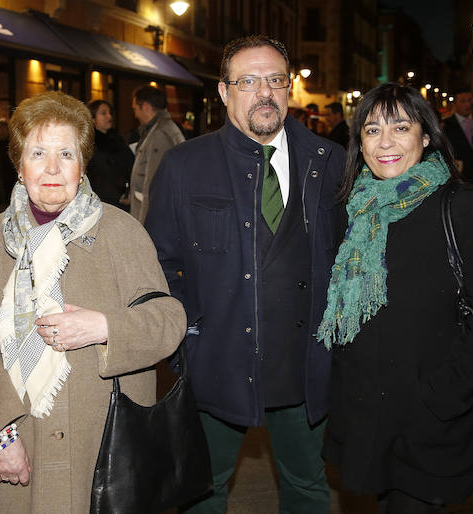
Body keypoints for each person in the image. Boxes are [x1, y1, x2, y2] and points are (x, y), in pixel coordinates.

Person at [0, 91, 186, 512]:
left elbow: (168, 320)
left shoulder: (122, 234)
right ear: (19, 165)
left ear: (82, 164)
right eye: (38, 153)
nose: (52, 168)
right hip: (20, 445)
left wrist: (106, 328)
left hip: (106, 448)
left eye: (66, 153)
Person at [145, 35, 346, 513]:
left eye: (275, 80)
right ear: (223, 92)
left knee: (307, 486)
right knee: (201, 489)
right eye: (249, 81)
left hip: (303, 365)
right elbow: (157, 263)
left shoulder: (330, 162)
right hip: (218, 362)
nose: (264, 93)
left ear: (289, 88)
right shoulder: (184, 166)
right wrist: (188, 336)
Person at [318, 82, 473, 512]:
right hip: (367, 420)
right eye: (372, 130)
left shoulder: (462, 209)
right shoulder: (355, 209)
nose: (385, 142)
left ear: (425, 136)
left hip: (429, 424)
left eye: (400, 127)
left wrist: (443, 395)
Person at [129, 84, 185, 223]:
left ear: (146, 107)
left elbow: (153, 186)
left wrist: (143, 229)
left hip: (154, 220)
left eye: (135, 109)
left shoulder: (160, 135)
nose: (135, 115)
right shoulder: (161, 129)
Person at [86, 99, 133, 208]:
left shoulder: (118, 141)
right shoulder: (89, 145)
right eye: (103, 113)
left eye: (110, 113)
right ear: (92, 118)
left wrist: (128, 192)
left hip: (122, 202)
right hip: (100, 203)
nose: (109, 117)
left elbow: (130, 167)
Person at [442, 87, 473, 172]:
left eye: (470, 100)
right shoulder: (446, 125)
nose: (468, 105)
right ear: (455, 104)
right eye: (463, 101)